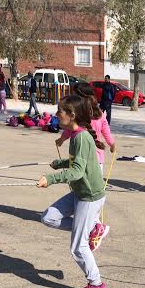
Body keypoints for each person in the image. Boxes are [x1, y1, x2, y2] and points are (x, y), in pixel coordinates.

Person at [37, 94, 109, 288]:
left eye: (60, 111)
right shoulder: (76, 136)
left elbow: (77, 171)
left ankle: (97, 285)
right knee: (48, 217)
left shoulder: (82, 138)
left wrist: (51, 178)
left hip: (89, 196)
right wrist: (59, 164)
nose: (56, 114)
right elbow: (77, 163)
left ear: (72, 114)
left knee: (78, 247)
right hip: (79, 193)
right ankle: (93, 228)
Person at [56, 83, 116, 247]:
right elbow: (106, 130)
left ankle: (94, 228)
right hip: (98, 160)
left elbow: (71, 130)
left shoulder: (82, 115)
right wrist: (111, 143)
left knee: (87, 194)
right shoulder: (99, 112)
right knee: (89, 194)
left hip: (87, 159)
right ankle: (93, 227)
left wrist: (61, 139)